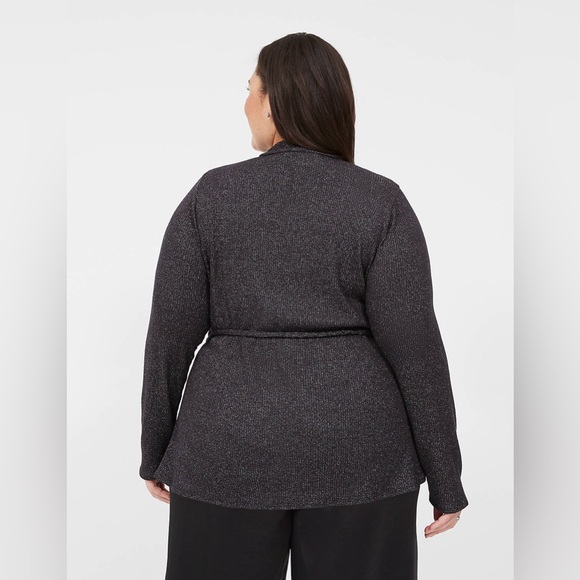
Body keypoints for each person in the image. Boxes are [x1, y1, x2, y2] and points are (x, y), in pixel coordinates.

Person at [139, 32, 469, 580]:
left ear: (272, 102)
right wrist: (446, 477)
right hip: (361, 452)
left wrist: (155, 449)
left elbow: (169, 337)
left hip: (226, 449)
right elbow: (416, 349)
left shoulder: (210, 197)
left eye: (250, 90)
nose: (245, 104)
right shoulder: (380, 200)